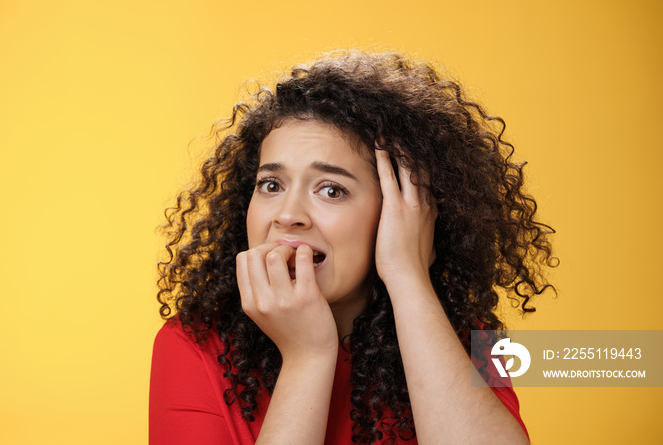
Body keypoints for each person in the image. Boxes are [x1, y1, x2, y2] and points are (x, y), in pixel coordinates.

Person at [149, 50, 556, 444]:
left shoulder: (467, 338)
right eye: (271, 185)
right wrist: (308, 357)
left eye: (332, 189)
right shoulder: (191, 344)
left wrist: (408, 275)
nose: (288, 215)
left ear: (401, 213)